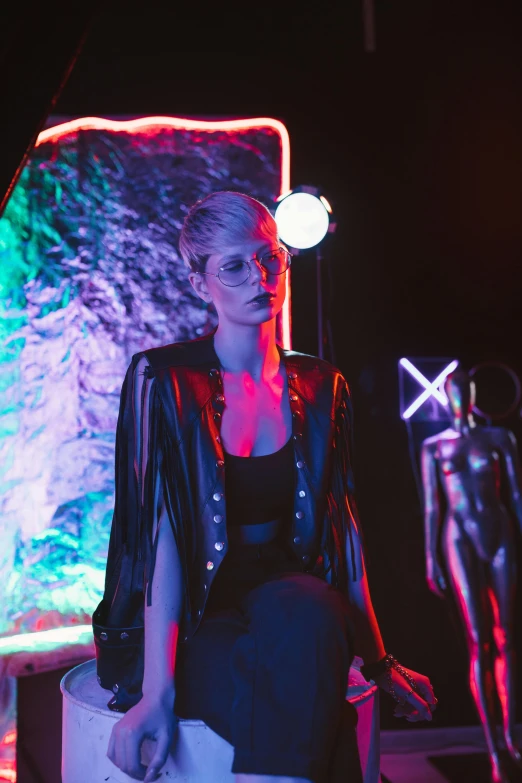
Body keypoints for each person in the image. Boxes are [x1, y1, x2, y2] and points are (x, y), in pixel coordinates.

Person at [105, 191, 437, 783]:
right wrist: (155, 692)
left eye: (269, 258)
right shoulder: (163, 378)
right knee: (302, 694)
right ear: (198, 281)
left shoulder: (320, 383)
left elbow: (343, 533)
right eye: (233, 265)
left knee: (312, 608)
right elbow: (158, 546)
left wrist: (381, 661)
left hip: (286, 593)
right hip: (197, 615)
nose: (259, 277)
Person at [422, 370, 522, 783]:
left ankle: (512, 737)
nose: (460, 397)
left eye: (466, 391)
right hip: (459, 536)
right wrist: (430, 558)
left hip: (499, 532)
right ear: (446, 397)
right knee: (479, 640)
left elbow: (516, 495)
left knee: (508, 638)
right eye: (454, 391)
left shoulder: (499, 440)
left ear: (475, 395)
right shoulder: (435, 446)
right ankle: (493, 744)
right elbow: (432, 506)